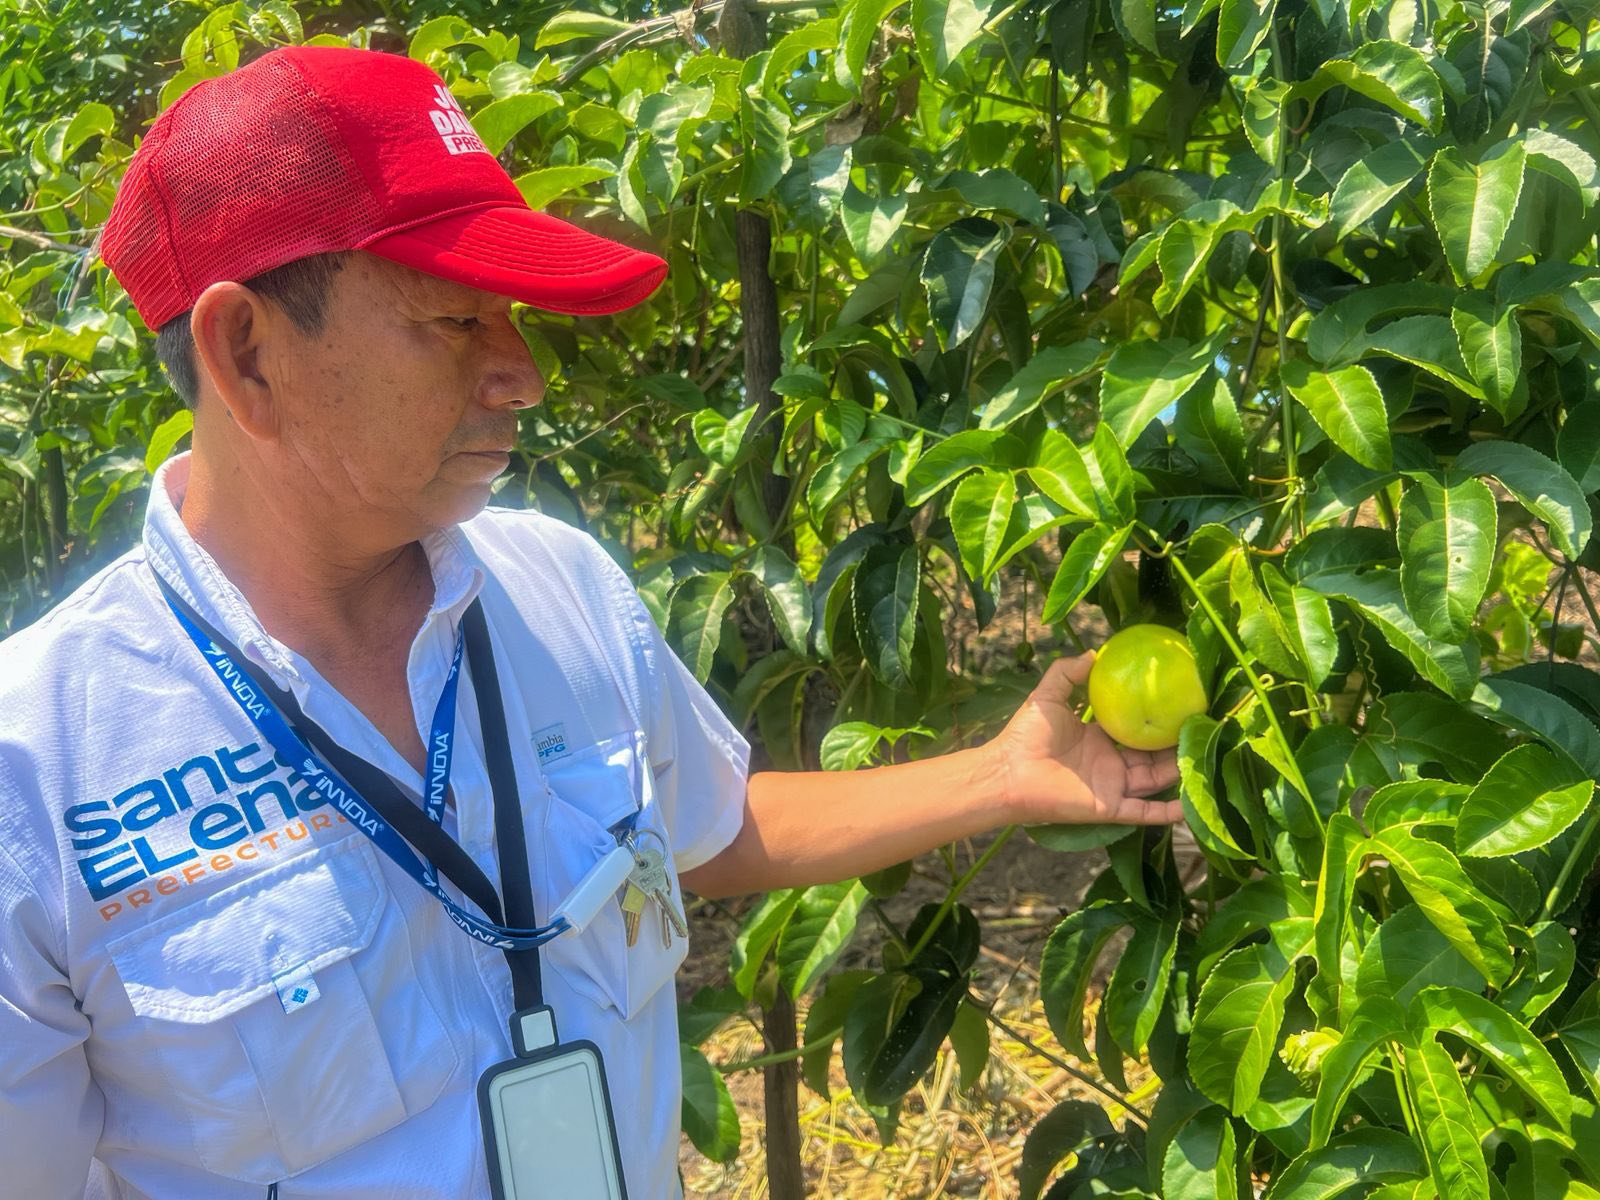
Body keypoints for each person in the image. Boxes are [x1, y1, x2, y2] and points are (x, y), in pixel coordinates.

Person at [0, 45, 1181, 1200]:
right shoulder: (38, 766)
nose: (523, 374)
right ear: (245, 351)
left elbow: (702, 829)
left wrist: (1001, 778)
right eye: (457, 321)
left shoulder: (556, 585)